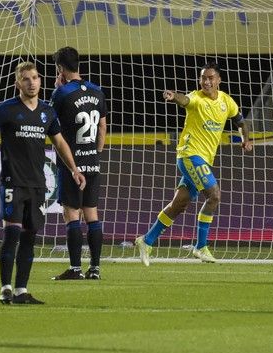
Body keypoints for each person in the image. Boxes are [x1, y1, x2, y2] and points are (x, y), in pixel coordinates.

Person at [0, 62, 86, 305]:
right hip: (13, 183)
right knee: (11, 234)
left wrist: (74, 169)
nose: (31, 82)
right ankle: (5, 288)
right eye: (26, 79)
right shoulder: (6, 109)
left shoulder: (47, 112)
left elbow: (60, 143)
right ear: (18, 83)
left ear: (40, 81)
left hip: (37, 185)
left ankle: (21, 290)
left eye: (35, 78)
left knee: (29, 236)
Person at [134, 63, 252, 265]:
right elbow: (185, 99)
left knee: (179, 204)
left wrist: (246, 139)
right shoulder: (196, 98)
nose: (206, 81)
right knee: (214, 195)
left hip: (203, 159)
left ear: (219, 80)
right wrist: (174, 96)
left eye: (211, 78)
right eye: (203, 78)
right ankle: (201, 247)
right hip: (190, 156)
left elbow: (240, 121)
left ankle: (146, 240)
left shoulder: (227, 102)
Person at [49, 47, 108, 281]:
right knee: (91, 214)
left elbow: (51, 126)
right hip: (93, 160)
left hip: (71, 161)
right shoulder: (97, 91)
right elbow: (102, 126)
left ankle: (75, 268)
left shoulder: (62, 93)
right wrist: (96, 152)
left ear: (60, 69)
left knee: (71, 214)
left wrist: (57, 90)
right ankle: (95, 269)